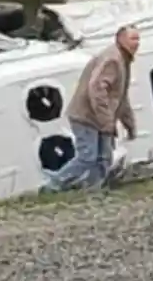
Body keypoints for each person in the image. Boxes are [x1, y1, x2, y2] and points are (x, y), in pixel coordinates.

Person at [46, 25, 140, 192]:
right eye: (133, 38)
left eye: (138, 39)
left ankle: (92, 189)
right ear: (120, 39)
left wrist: (129, 125)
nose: (137, 43)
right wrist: (106, 121)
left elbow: (121, 98)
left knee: (104, 159)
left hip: (101, 118)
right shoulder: (113, 60)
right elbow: (96, 89)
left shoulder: (123, 60)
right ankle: (54, 184)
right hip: (86, 116)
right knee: (87, 157)